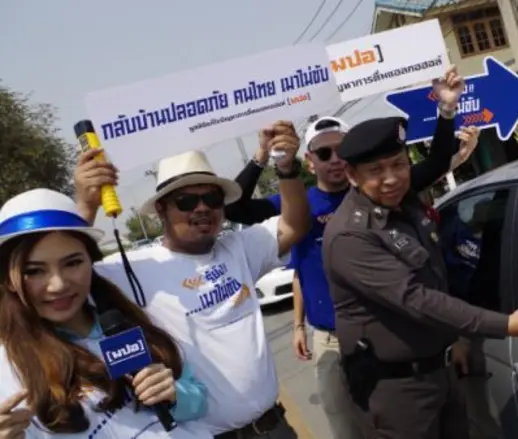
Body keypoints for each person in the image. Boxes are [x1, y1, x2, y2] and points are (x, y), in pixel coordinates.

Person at [224, 67, 469, 439]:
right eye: (324, 153)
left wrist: (447, 110)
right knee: (348, 431)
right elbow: (236, 210)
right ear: (310, 162)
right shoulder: (297, 204)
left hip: (394, 335)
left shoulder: (385, 189)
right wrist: (263, 155)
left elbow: (435, 165)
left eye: (342, 150)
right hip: (332, 342)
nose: (335, 159)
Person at [322, 117, 518, 439]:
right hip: (397, 391)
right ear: (352, 176)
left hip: (441, 372)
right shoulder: (351, 235)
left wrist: (456, 339)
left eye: (398, 164)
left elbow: (437, 280)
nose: (391, 178)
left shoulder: (403, 203)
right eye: (376, 171)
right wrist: (508, 325)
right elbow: (417, 299)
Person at [73, 120, 310, 438]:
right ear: (161, 209)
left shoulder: (238, 247)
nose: (202, 208)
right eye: (186, 201)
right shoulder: (133, 268)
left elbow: (294, 226)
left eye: (212, 199)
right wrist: (85, 205)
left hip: (274, 427)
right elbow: (67, 269)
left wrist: (286, 167)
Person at [0, 189, 210, 438]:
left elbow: (197, 401)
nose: (58, 284)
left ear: (91, 262)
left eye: (73, 263)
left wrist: (175, 394)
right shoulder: (9, 368)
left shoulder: (123, 322)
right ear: (9, 280)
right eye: (34, 271)